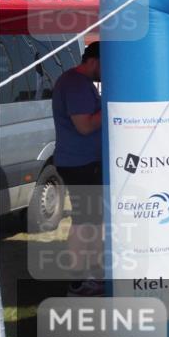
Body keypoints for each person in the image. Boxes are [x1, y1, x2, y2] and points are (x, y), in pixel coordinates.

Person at [52, 41, 104, 296]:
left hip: (84, 162)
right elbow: (84, 126)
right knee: (84, 221)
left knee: (92, 220)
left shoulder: (79, 83)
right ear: (93, 61)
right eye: (107, 66)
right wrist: (111, 106)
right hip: (80, 163)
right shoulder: (75, 84)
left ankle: (92, 274)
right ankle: (78, 279)